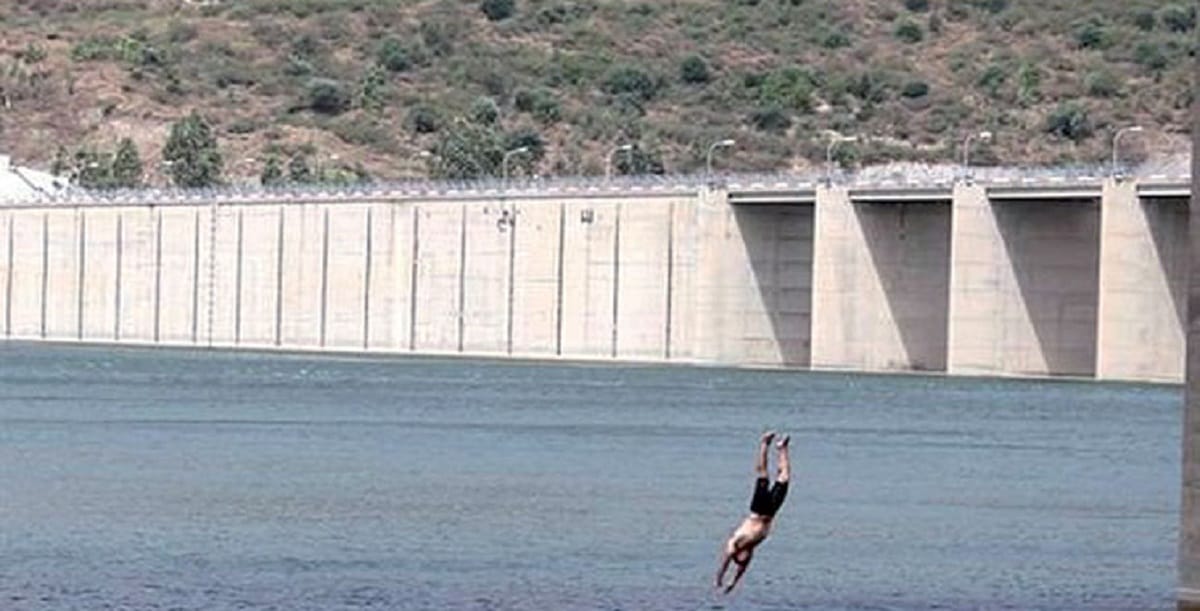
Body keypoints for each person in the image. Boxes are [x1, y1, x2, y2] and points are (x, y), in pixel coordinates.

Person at [714, 430, 790, 594]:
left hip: (758, 510)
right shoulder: (750, 550)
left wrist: (720, 578)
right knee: (784, 478)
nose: (746, 560)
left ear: (738, 554)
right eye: (746, 560)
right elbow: (741, 572)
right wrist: (732, 584)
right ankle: (782, 448)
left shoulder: (734, 544)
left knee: (763, 475)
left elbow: (725, 564)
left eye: (743, 559)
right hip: (771, 512)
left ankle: (764, 443)